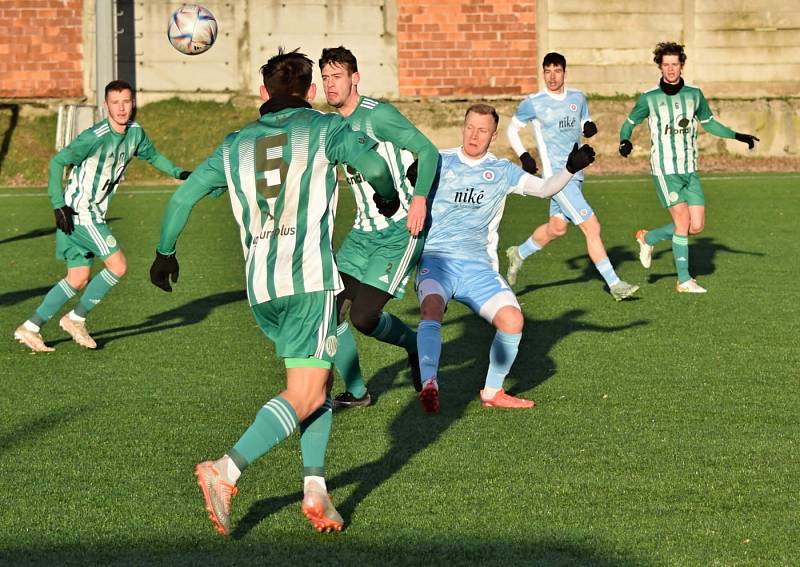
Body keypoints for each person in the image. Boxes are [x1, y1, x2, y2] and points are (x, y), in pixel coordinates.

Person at [148, 48, 397, 536]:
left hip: (262, 288)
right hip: (308, 282)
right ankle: (226, 469)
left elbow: (182, 197)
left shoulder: (233, 144)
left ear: (264, 93)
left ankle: (316, 490)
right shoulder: (326, 128)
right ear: (309, 92)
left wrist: (164, 253)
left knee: (316, 385)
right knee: (306, 390)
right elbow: (375, 165)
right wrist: (388, 194)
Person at [416, 104, 595, 413]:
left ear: (493, 135)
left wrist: (569, 168)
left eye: (482, 130)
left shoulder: (502, 171)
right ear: (463, 126)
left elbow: (544, 189)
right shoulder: (437, 161)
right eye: (470, 127)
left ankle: (493, 391)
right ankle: (430, 383)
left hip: (478, 268)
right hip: (437, 259)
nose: (474, 135)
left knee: (512, 321)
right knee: (432, 309)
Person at [13, 80, 190, 352]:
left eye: (126, 101)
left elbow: (153, 157)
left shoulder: (135, 133)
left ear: (133, 103)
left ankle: (31, 327)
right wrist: (57, 204)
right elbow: (57, 162)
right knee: (118, 266)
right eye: (115, 102)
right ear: (106, 105)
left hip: (88, 211)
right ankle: (75, 319)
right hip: (80, 211)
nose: (121, 108)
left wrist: (179, 173)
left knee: (78, 278)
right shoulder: (94, 136)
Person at [318, 46, 439, 407]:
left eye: (337, 77)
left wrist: (419, 199)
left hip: (400, 231)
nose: (330, 85)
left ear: (355, 78)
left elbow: (428, 151)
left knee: (364, 316)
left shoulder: (379, 116)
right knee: (328, 308)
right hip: (362, 232)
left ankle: (414, 344)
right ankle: (356, 392)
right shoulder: (333, 126)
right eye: (325, 78)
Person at [619, 42, 759, 293]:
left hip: (689, 169)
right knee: (682, 220)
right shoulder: (649, 98)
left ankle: (648, 238)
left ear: (681, 65)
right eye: (666, 65)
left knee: (696, 226)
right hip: (665, 169)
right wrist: (624, 141)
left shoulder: (694, 94)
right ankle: (684, 280)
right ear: (660, 67)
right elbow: (629, 123)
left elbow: (711, 123)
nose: (671, 69)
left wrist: (738, 136)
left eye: (675, 64)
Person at [505, 52, 639, 301]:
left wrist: (588, 126)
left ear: (565, 73)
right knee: (592, 226)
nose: (552, 76)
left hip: (576, 172)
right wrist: (524, 155)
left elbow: (584, 122)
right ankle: (615, 284)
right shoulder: (533, 102)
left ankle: (519, 253)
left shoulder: (578, 98)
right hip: (557, 177)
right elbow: (512, 129)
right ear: (543, 73)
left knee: (557, 228)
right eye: (547, 71)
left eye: (557, 71)